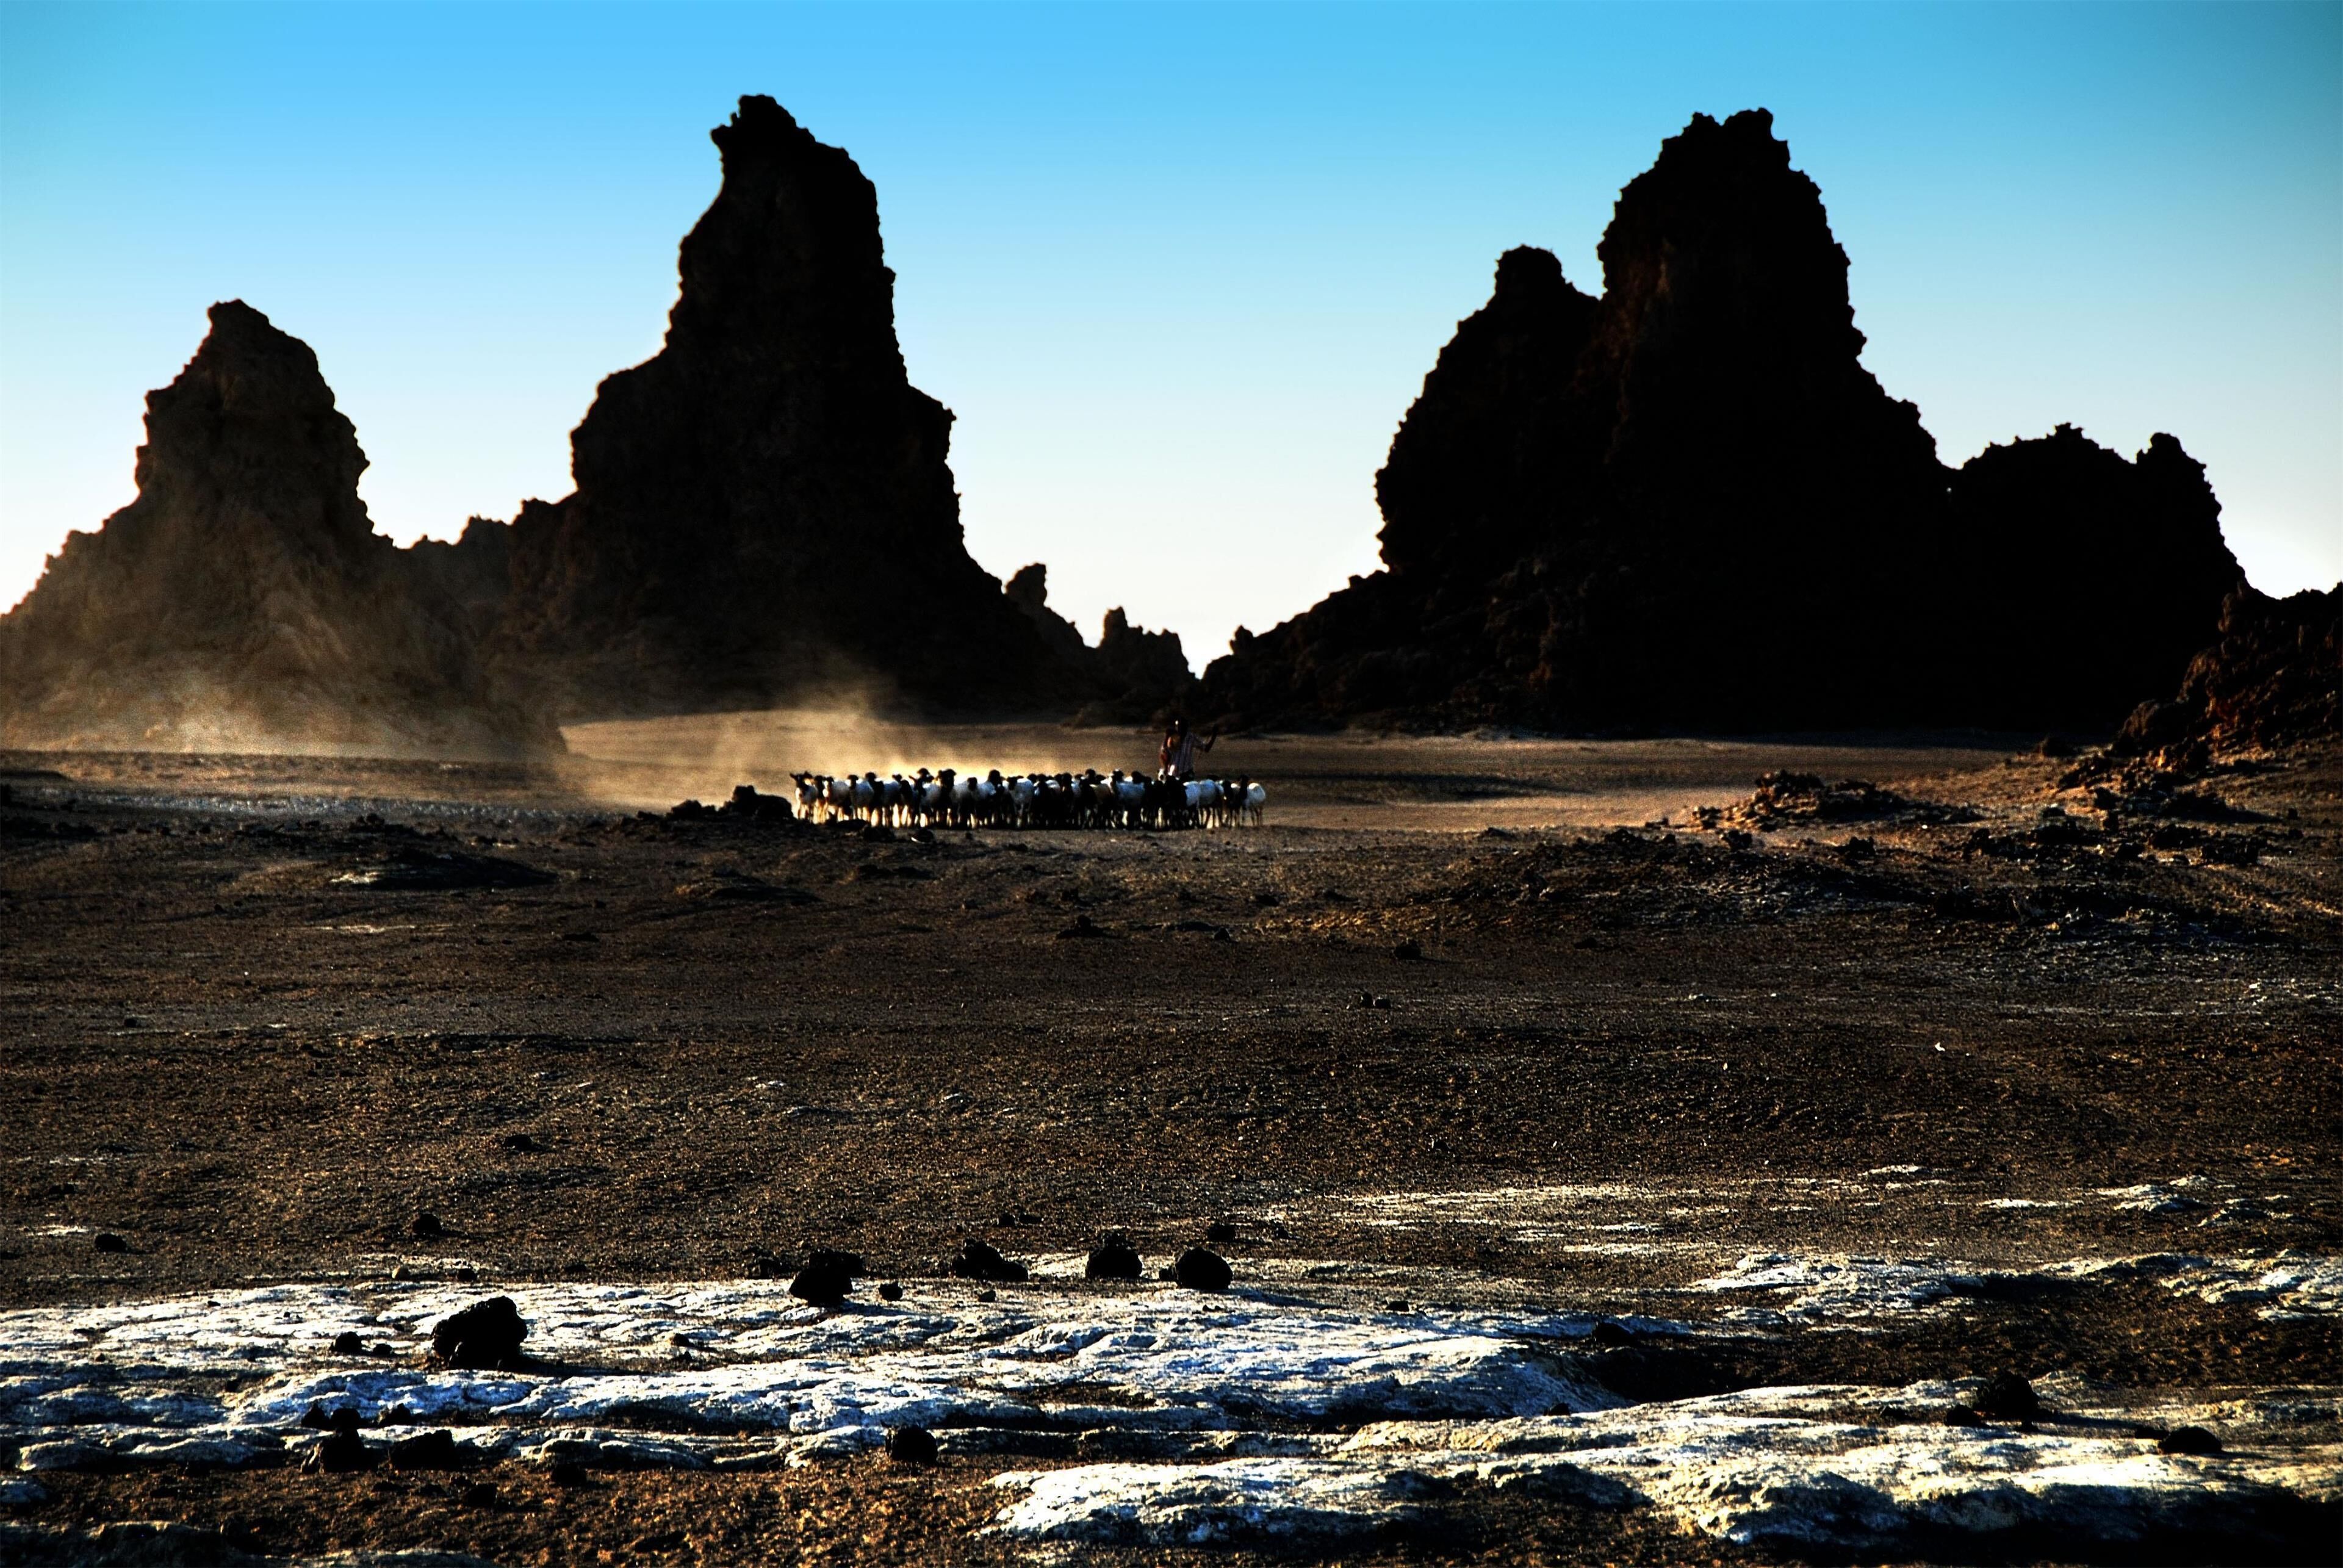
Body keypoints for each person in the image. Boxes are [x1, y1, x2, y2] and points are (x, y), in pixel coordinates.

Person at [1159, 716, 1217, 780]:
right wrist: (1167, 736)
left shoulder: (1191, 738)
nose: (1179, 729)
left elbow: (1206, 748)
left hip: (1186, 773)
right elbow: (1164, 751)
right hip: (1173, 773)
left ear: (1186, 728)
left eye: (1181, 727)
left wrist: (1214, 735)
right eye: (1178, 727)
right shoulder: (1173, 738)